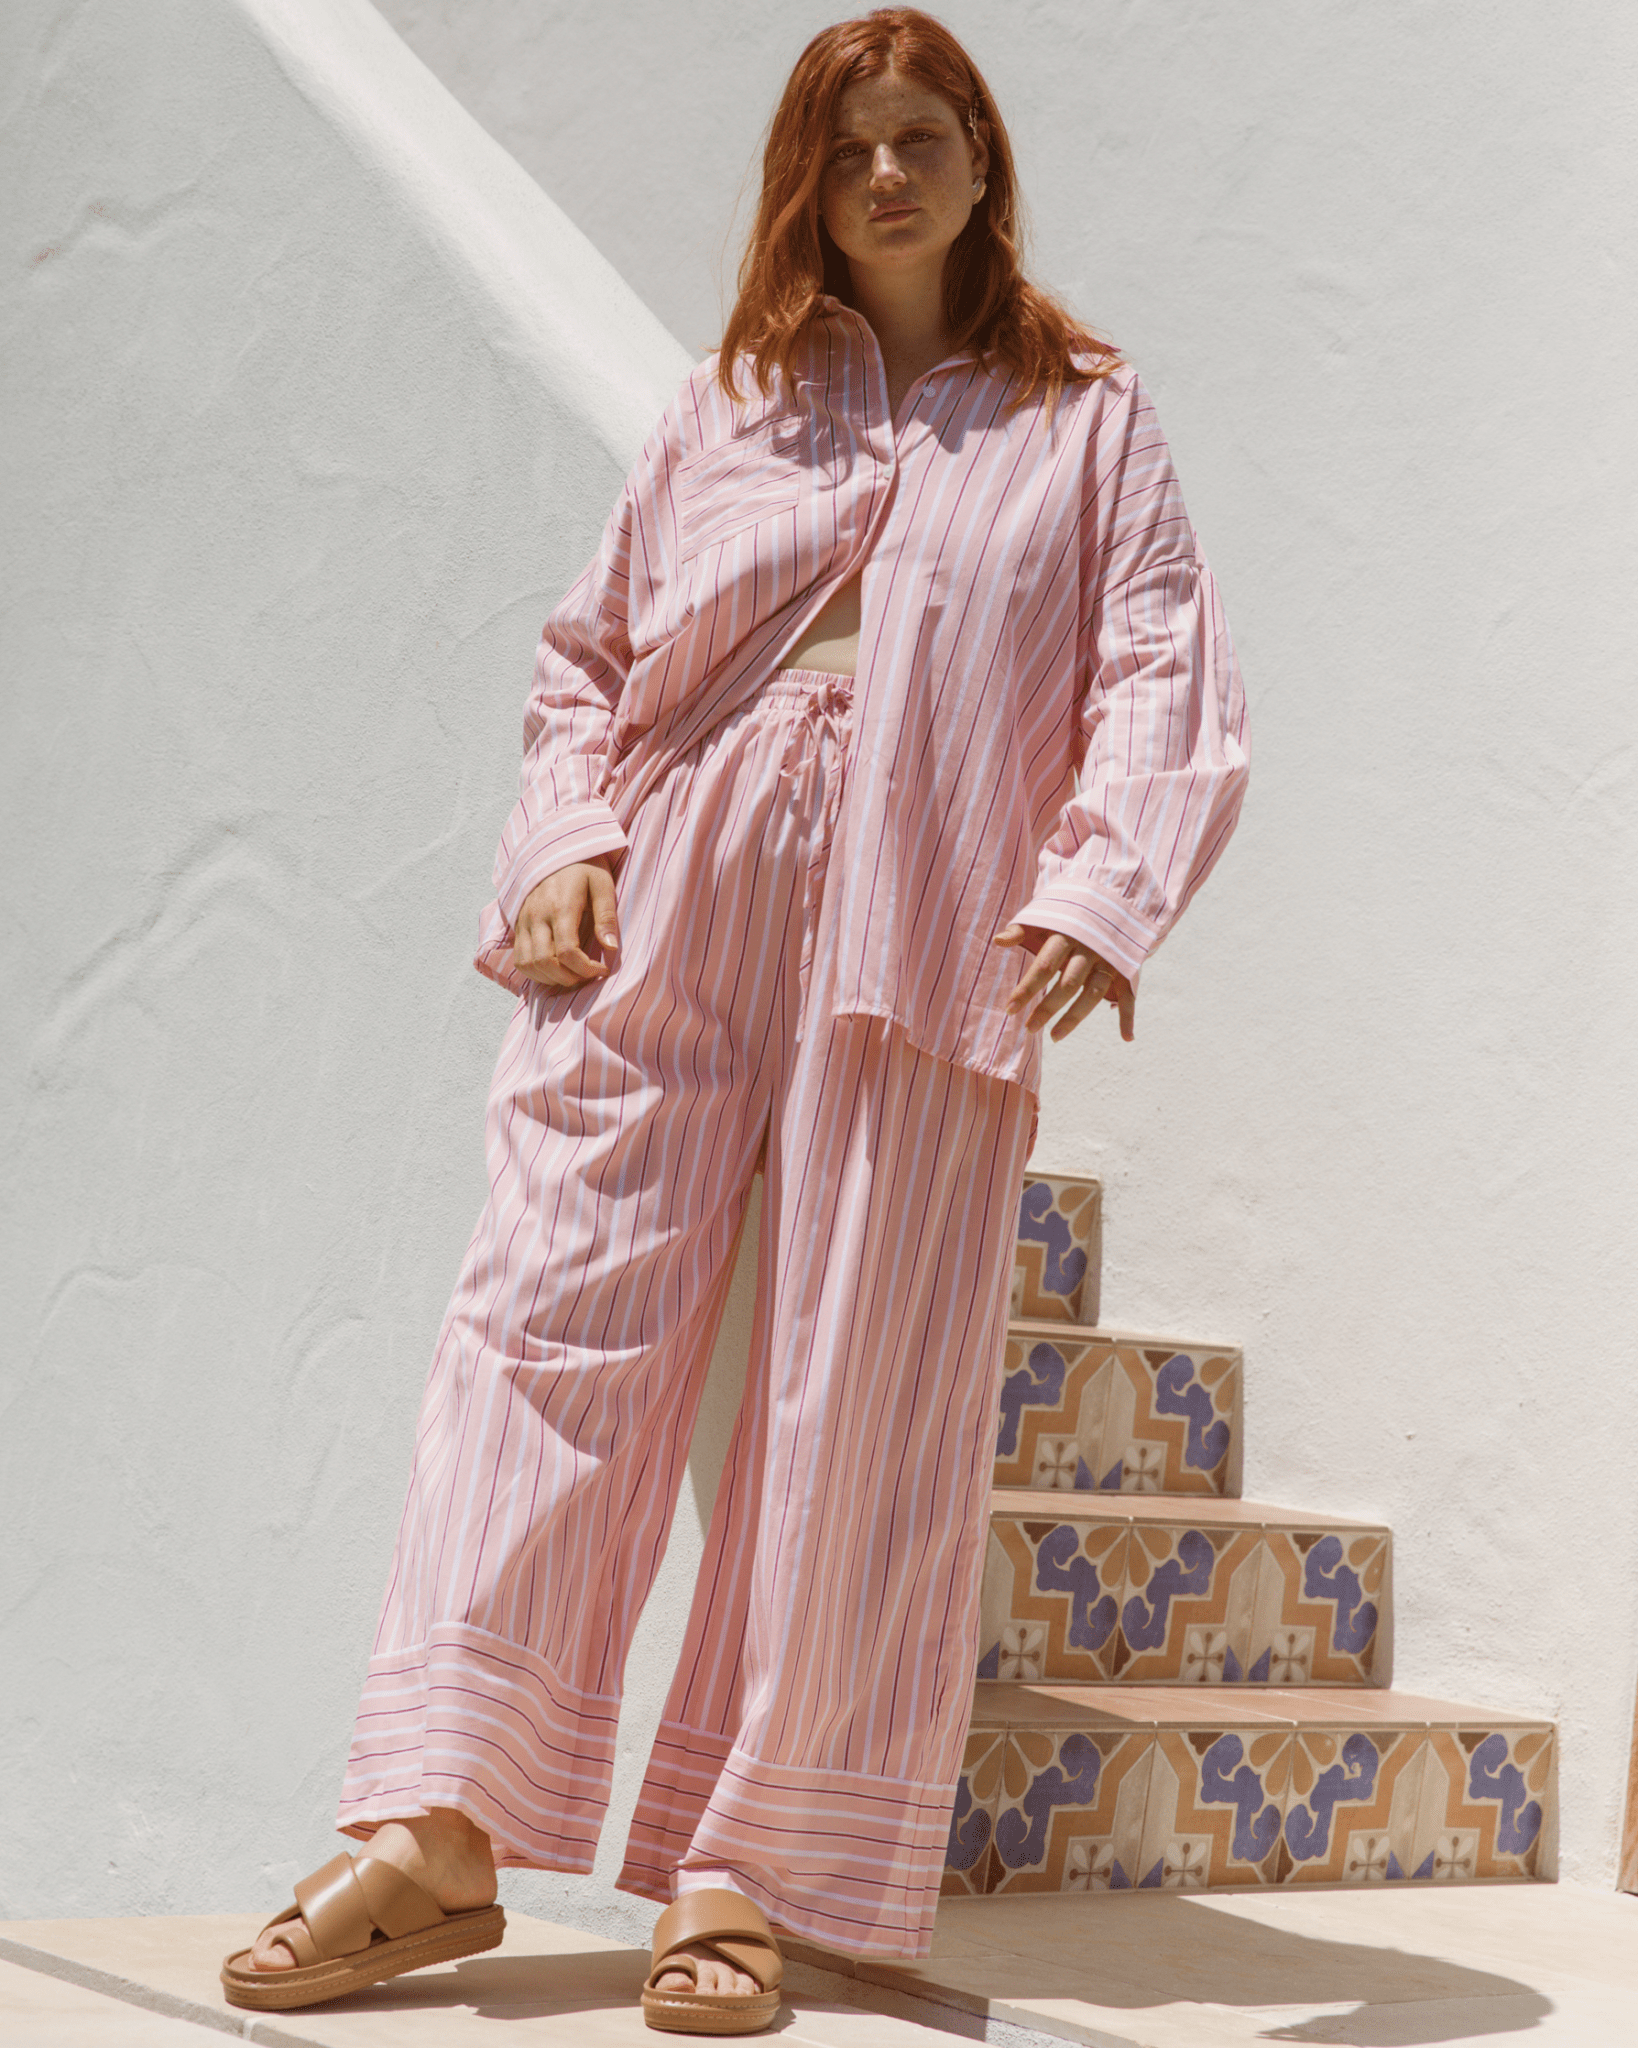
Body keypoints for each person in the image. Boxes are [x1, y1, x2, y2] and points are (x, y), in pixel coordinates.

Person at [222, 6, 1248, 2035]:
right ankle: (436, 1829)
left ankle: (749, 1869)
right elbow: (586, 658)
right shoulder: (728, 403)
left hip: (930, 928)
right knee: (546, 1323)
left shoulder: (1085, 416)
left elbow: (1162, 669)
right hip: (673, 891)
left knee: (860, 1396)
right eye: (849, 145)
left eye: (923, 134)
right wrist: (566, 841)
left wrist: (1098, 886)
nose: (888, 172)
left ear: (981, 158)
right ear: (807, 179)